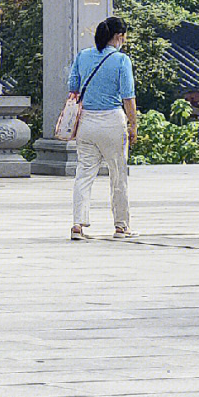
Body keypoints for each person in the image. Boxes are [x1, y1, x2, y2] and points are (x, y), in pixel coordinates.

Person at [69, 16, 138, 241]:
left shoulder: (83, 56)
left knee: (84, 173)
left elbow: (73, 88)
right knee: (118, 174)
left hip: (87, 122)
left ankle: (78, 224)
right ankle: (121, 226)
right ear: (118, 37)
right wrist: (133, 124)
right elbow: (128, 96)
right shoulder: (121, 60)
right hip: (111, 121)